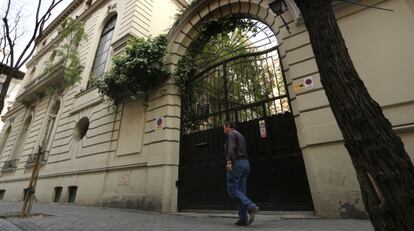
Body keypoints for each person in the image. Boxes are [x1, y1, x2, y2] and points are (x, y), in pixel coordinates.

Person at [224, 122, 259, 226]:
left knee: (232, 189)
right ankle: (243, 218)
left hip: (237, 163)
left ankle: (251, 206)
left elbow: (232, 148)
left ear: (229, 127)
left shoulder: (231, 134)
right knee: (241, 193)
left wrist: (229, 161)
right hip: (245, 164)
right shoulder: (240, 135)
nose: (224, 130)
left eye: (224, 128)